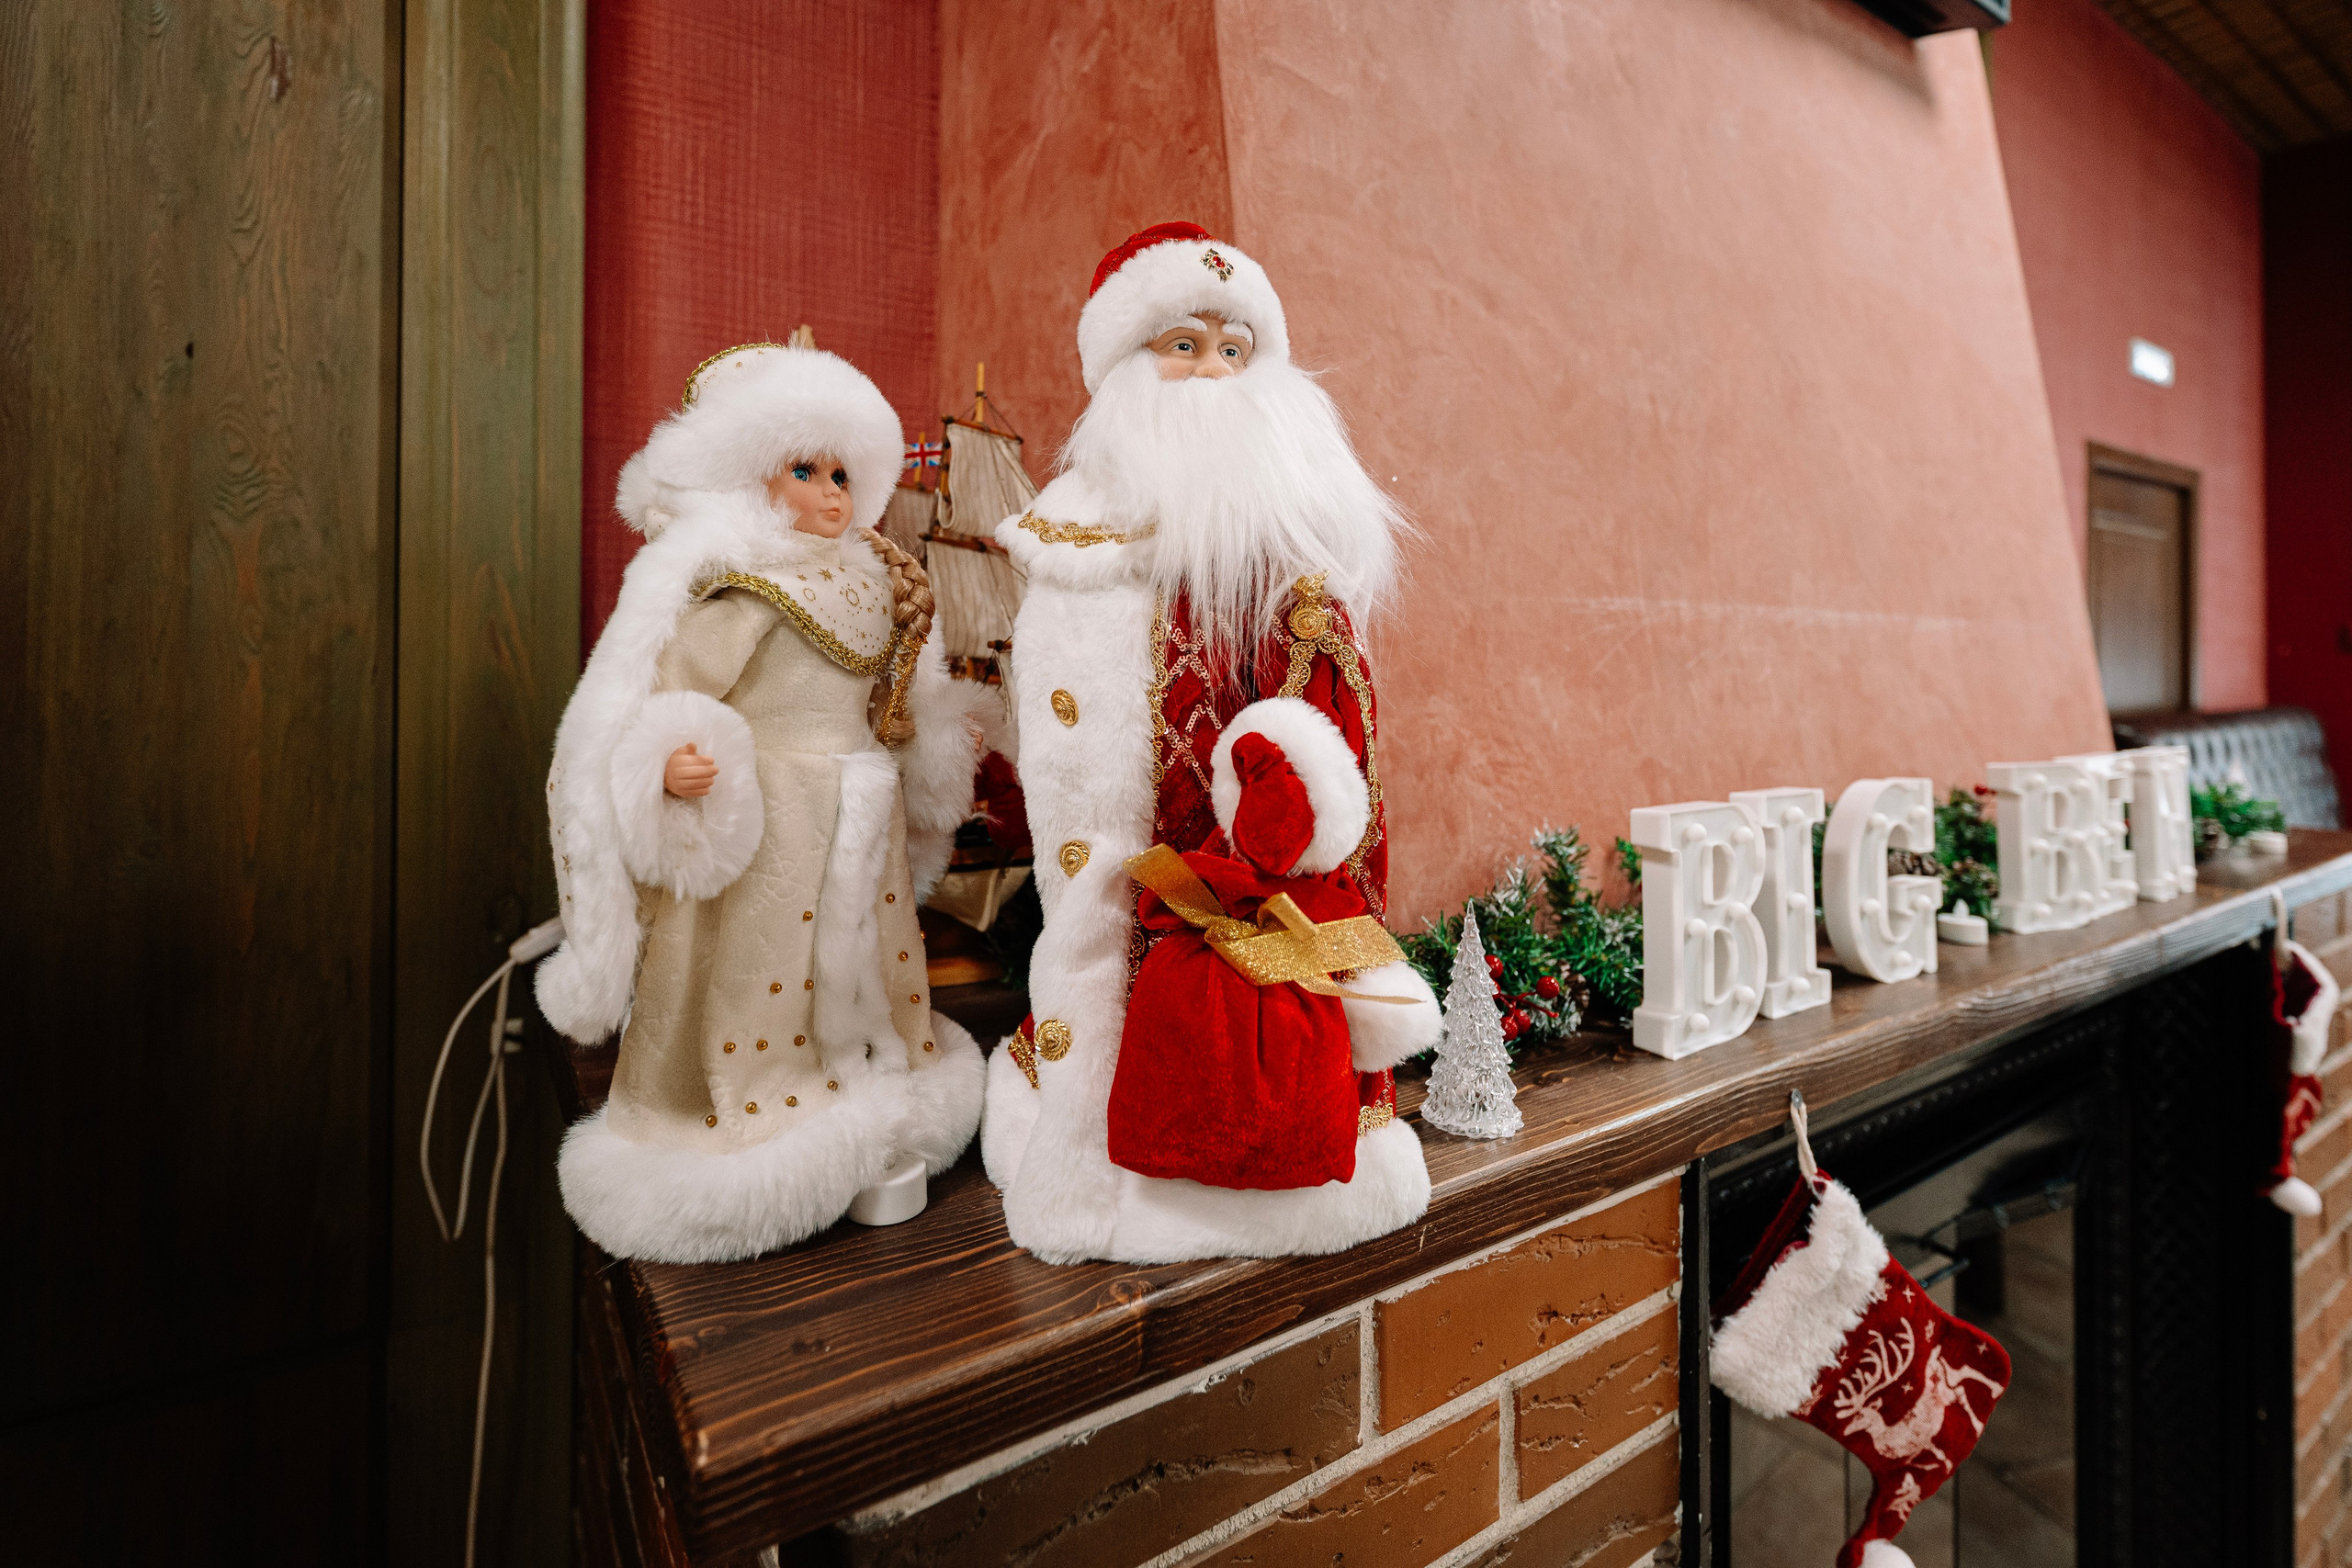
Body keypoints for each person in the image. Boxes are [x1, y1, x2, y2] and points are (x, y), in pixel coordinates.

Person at [980, 223, 1442, 1265]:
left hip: (1261, 887)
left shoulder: (1292, 547)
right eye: (1182, 346)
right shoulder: (1078, 544)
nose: (1212, 373)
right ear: (1125, 370)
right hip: (1138, 904)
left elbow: (1339, 739)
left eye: (1234, 352)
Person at [537, 344, 989, 1264]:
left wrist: (929, 749)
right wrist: (673, 763)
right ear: (750, 475)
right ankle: (762, 1122)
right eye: (804, 470)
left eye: (840, 474)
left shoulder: (876, 579)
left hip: (857, 802)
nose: (830, 493)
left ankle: (860, 1094)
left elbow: (894, 703)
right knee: (761, 966)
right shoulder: (740, 585)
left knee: (860, 963)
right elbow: (665, 695)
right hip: (772, 814)